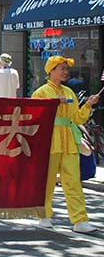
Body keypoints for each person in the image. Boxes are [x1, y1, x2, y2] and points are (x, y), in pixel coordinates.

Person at [32, 56, 99, 233]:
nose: (65, 71)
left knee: (73, 182)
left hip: (69, 142)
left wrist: (88, 105)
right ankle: (44, 215)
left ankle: (79, 220)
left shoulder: (69, 92)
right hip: (49, 141)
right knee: (47, 181)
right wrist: (53, 104)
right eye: (61, 68)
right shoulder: (41, 92)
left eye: (65, 68)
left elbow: (77, 118)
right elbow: (35, 115)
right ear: (51, 71)